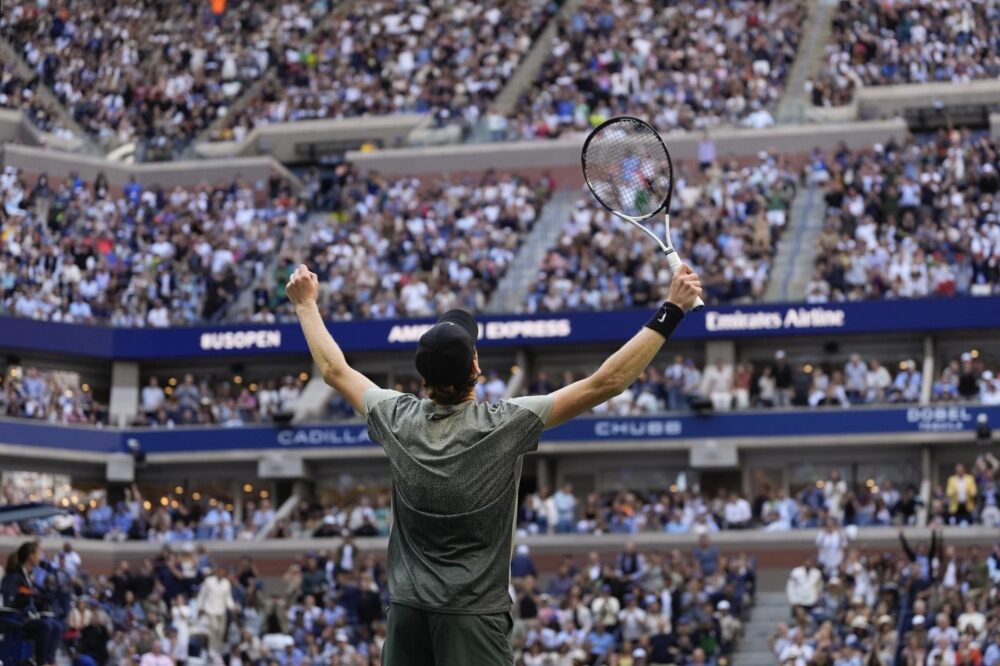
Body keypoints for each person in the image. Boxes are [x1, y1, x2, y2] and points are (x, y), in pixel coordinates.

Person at [285, 262, 703, 665]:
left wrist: (306, 305)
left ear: (424, 382)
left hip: (407, 613)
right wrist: (672, 310)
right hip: (473, 616)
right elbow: (606, 382)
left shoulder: (395, 418)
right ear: (476, 369)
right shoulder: (502, 425)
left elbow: (334, 369)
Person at [0, 541, 62, 666]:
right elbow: (9, 600)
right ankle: (41, 662)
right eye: (39, 554)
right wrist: (25, 597)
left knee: (57, 626)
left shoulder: (29, 578)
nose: (41, 557)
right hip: (14, 620)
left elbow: (44, 595)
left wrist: (52, 580)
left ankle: (50, 661)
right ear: (30, 556)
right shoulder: (14, 577)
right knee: (45, 625)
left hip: (27, 619)